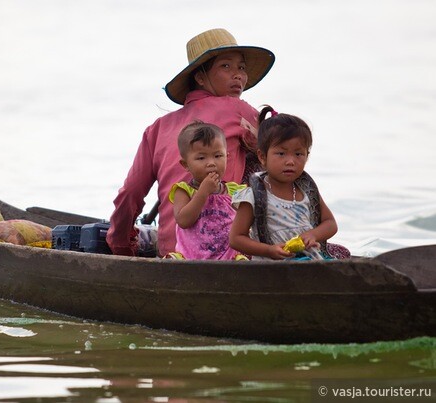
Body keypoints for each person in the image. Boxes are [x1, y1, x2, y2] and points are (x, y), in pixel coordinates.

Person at [107, 28, 275, 257]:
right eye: (226, 66)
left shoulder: (157, 128)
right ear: (200, 77)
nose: (238, 76)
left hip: (172, 251)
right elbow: (283, 150)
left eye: (241, 68)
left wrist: (121, 247)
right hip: (222, 252)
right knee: (270, 158)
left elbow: (130, 194)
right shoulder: (239, 111)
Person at [229, 106, 338, 260]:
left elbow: (330, 223)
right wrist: (268, 250)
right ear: (262, 156)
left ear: (307, 155)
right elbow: (236, 238)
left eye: (299, 154)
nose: (290, 161)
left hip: (308, 262)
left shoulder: (306, 190)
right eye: (281, 153)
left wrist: (313, 234)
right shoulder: (252, 194)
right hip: (273, 270)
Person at [168, 121, 246, 260]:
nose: (211, 163)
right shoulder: (184, 191)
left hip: (228, 258)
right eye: (201, 158)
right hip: (191, 258)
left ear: (227, 157)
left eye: (218, 156)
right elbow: (183, 221)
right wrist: (203, 192)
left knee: (243, 260)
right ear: (185, 164)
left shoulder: (235, 191)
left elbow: (246, 222)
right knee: (171, 262)